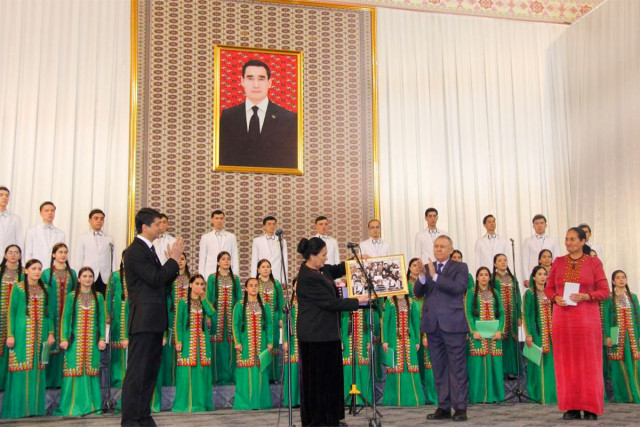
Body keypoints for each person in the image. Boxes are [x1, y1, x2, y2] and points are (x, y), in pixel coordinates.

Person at [120, 207, 184, 427]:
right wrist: (173, 260)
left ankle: (143, 415)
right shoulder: (135, 251)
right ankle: (130, 419)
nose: (161, 227)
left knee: (149, 372)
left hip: (154, 320)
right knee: (137, 372)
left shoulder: (149, 249)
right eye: (157, 224)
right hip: (144, 321)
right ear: (145, 227)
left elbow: (161, 284)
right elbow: (156, 278)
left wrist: (172, 265)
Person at [296, 237, 369, 426]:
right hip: (314, 336)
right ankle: (318, 421)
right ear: (312, 256)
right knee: (318, 381)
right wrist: (358, 301)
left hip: (328, 334)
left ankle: (331, 418)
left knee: (331, 379)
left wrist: (357, 261)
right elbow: (330, 303)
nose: (326, 258)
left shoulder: (322, 270)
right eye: (323, 255)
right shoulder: (307, 277)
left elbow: (338, 268)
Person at [544, 226, 609, 420]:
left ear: (583, 241)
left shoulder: (594, 262)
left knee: (589, 363)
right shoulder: (558, 262)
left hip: (587, 319)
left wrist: (586, 296)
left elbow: (605, 291)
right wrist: (555, 298)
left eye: (572, 239)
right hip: (562, 319)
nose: (568, 242)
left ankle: (590, 408)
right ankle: (570, 407)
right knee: (565, 363)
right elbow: (548, 288)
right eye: (566, 239)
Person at [414, 235, 469, 421]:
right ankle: (443, 407)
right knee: (438, 368)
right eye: (436, 246)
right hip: (432, 325)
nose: (438, 249)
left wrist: (435, 276)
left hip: (453, 325)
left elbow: (458, 288)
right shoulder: (429, 268)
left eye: (442, 246)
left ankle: (460, 408)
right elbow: (417, 293)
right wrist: (423, 276)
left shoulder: (460, 267)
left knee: (457, 368)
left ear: (451, 250)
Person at [219, 59, 298, 169]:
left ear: (269, 83)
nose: (256, 85)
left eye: (261, 79)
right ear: (242, 81)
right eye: (250, 78)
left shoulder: (289, 119)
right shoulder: (228, 117)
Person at [1, 259, 55, 419]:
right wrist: (10, 334)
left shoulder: (46, 289)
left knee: (38, 369)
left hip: (41, 335)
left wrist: (51, 333)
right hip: (21, 335)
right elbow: (11, 312)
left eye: (39, 269)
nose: (37, 272)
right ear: (26, 271)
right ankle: (17, 411)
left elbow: (49, 313)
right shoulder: (18, 288)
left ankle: (35, 410)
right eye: (34, 268)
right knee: (20, 368)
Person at [55, 267, 106, 416]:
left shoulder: (98, 296)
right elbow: (65, 318)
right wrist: (64, 338)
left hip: (92, 342)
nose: (88, 279)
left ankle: (92, 406)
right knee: (74, 370)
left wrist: (102, 338)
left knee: (91, 371)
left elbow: (102, 319)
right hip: (75, 341)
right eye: (84, 276)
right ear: (79, 279)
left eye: (90, 276)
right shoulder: (72, 296)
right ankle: (71, 407)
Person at [173, 274, 216, 412]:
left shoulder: (204, 301)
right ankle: (186, 404)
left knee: (202, 371)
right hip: (187, 341)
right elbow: (178, 322)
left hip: (202, 342)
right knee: (186, 371)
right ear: (190, 285)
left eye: (202, 284)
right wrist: (178, 340)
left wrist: (203, 298)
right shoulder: (183, 302)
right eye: (197, 283)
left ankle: (201, 403)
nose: (199, 286)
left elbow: (212, 313)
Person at [465, 267, 505, 403]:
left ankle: (496, 397)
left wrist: (500, 330)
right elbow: (468, 313)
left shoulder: (495, 293)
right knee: (477, 366)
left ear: (489, 277)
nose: (483, 277)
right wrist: (473, 331)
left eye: (486, 275)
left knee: (495, 364)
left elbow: (501, 313)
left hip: (494, 335)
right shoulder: (471, 292)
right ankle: (478, 397)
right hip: (478, 335)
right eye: (481, 275)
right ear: (477, 278)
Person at [232, 277, 273, 410]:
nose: (254, 288)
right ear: (246, 288)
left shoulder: (265, 305)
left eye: (256, 285)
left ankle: (261, 403)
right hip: (245, 344)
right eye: (251, 285)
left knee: (260, 372)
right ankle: (245, 403)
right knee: (245, 372)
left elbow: (269, 324)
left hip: (261, 344)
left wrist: (270, 342)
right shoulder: (239, 305)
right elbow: (235, 324)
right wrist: (237, 342)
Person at [41, 242, 77, 388]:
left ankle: (64, 381)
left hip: (67, 315)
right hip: (51, 314)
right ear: (53, 255)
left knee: (66, 342)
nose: (63, 255)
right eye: (60, 252)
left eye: (65, 252)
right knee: (50, 344)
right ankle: (48, 381)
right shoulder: (46, 273)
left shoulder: (72, 273)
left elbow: (75, 294)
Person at [381, 294, 425, 406]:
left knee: (411, 366)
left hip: (409, 339)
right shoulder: (389, 302)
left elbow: (416, 322)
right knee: (395, 366)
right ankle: (394, 399)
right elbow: (385, 322)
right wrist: (385, 340)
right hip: (394, 339)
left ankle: (413, 399)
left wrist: (417, 340)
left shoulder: (411, 301)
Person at [603, 270, 640, 403]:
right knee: (618, 364)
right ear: (613, 281)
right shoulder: (609, 298)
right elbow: (607, 318)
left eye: (623, 277)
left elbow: (638, 317)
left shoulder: (632, 297)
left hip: (632, 335)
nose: (621, 280)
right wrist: (607, 336)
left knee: (635, 364)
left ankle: (636, 393)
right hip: (616, 335)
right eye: (618, 278)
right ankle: (624, 395)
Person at [206, 251, 242, 385]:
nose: (226, 261)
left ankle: (232, 377)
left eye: (228, 259)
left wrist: (240, 317)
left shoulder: (235, 279)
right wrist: (208, 316)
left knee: (231, 346)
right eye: (223, 259)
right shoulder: (212, 278)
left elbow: (239, 300)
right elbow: (208, 298)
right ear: (218, 262)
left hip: (231, 318)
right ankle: (216, 377)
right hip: (216, 317)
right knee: (217, 347)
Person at [523, 265, 557, 404]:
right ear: (534, 277)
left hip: (551, 333)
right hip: (537, 332)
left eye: (545, 274)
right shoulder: (530, 294)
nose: (543, 277)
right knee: (539, 362)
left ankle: (552, 394)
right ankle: (540, 394)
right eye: (540, 274)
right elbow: (526, 315)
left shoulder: (551, 293)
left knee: (551, 363)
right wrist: (528, 334)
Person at [407, 257, 437, 404]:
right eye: (414, 265)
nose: (416, 267)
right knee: (414, 356)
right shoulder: (406, 283)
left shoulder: (426, 280)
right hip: (410, 319)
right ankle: (417, 391)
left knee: (427, 357)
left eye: (418, 265)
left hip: (425, 315)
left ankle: (430, 393)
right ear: (409, 268)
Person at [492, 253, 521, 378]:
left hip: (512, 314)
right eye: (500, 260)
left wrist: (519, 315)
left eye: (505, 260)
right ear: (495, 264)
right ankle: (502, 370)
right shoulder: (492, 279)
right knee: (500, 340)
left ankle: (513, 370)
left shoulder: (512, 278)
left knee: (512, 340)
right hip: (499, 314)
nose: (503, 262)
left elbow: (518, 297)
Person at [163, 253, 190, 386]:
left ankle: (183, 381)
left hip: (187, 317)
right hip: (171, 314)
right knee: (171, 347)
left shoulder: (191, 278)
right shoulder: (169, 278)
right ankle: (170, 381)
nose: (180, 261)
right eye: (178, 259)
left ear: (186, 261)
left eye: (183, 259)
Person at [73, 209, 115, 296]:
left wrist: (113, 276)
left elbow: (113, 259)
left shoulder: (109, 238)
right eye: (96, 218)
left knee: (103, 299)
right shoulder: (83, 237)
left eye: (101, 219)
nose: (99, 221)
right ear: (90, 220)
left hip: (105, 276)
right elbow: (79, 259)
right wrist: (79, 277)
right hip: (88, 276)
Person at [340, 302, 375, 406]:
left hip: (362, 338)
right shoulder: (344, 303)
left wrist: (369, 340)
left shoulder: (365, 305)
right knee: (348, 366)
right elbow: (339, 324)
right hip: (347, 339)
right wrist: (340, 339)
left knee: (362, 366)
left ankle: (363, 398)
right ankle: (348, 398)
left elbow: (369, 324)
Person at [256, 258, 284, 383]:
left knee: (273, 346)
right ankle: (262, 375)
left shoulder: (276, 284)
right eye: (263, 267)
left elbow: (281, 303)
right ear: (258, 270)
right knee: (262, 346)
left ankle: (273, 376)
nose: (266, 269)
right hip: (259, 321)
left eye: (268, 266)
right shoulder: (255, 283)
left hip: (273, 321)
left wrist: (281, 318)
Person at [0, 245, 23, 391]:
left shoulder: (24, 274)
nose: (13, 255)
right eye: (10, 252)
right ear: (5, 255)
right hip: (1, 315)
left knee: (13, 347)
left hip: (16, 317)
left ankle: (10, 384)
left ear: (20, 256)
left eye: (16, 253)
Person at [106, 252, 129, 387]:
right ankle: (117, 379)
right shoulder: (115, 276)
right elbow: (109, 295)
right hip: (117, 314)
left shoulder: (137, 274)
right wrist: (108, 313)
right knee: (117, 346)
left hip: (132, 313)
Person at [521, 214, 560, 287]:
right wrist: (526, 278)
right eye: (537, 223)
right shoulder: (528, 241)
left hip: (550, 274)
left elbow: (556, 259)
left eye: (542, 223)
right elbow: (525, 260)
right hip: (534, 274)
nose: (539, 225)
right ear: (533, 226)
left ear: (546, 225)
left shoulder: (553, 240)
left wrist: (557, 275)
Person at [199, 209, 239, 278]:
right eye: (216, 218)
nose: (219, 220)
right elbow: (202, 259)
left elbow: (235, 257)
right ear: (212, 220)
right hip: (210, 273)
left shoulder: (231, 237)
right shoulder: (205, 237)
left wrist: (235, 275)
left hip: (228, 273)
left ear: (224, 220)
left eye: (221, 218)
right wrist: (201, 277)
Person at [24, 201, 65, 265]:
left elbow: (62, 253)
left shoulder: (61, 234)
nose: (50, 213)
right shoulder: (31, 231)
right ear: (41, 213)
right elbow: (28, 253)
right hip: (37, 267)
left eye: (52, 211)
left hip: (53, 268)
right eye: (46, 210)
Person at [251, 216, 288, 283]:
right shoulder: (257, 241)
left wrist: (284, 280)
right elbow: (254, 260)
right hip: (262, 275)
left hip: (277, 276)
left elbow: (284, 261)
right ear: (264, 227)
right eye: (269, 224)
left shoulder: (282, 241)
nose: (272, 226)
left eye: (274, 224)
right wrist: (253, 279)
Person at [282, 278, 300, 407]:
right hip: (293, 340)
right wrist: (285, 340)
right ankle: (292, 400)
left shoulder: (311, 301)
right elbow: (285, 323)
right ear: (293, 287)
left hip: (306, 339)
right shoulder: (289, 303)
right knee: (293, 370)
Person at [0, 186, 23, 254]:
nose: (4, 198)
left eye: (7, 196)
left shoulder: (15, 218)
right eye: (1, 195)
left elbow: (19, 240)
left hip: (9, 256)